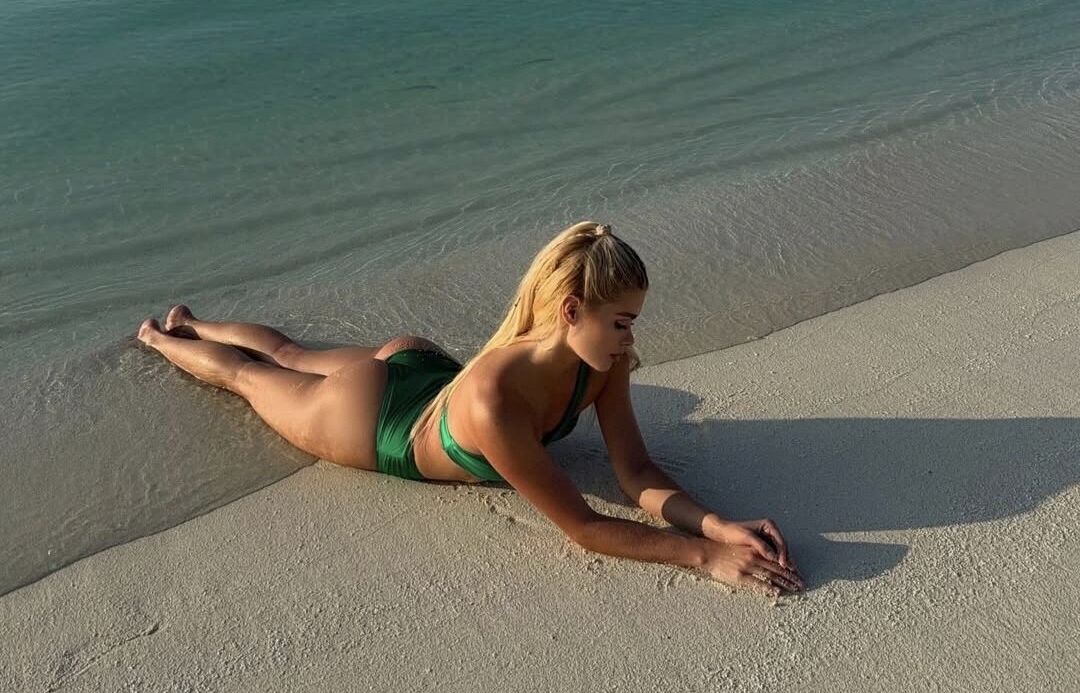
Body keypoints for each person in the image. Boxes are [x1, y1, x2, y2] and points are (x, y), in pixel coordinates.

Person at [138, 221, 803, 596]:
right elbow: (582, 525)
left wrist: (715, 524)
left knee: (289, 352)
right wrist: (702, 558)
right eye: (622, 322)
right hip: (371, 419)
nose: (631, 338)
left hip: (424, 369)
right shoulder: (494, 402)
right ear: (572, 311)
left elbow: (635, 472)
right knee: (251, 376)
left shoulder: (604, 363)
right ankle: (163, 337)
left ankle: (193, 320)